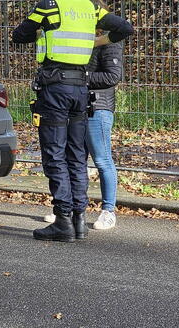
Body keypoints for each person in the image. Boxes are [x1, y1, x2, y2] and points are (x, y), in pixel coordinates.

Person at [12, 0, 133, 242]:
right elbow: (125, 28)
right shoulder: (90, 7)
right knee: (76, 154)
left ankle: (62, 221)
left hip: (55, 88)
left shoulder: (49, 6)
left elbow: (19, 36)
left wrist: (42, 26)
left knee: (54, 153)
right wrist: (96, 41)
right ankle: (79, 220)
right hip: (81, 89)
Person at [42, 21, 123, 230]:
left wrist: (79, 77)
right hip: (76, 105)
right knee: (74, 158)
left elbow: (113, 76)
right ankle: (67, 209)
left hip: (98, 108)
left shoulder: (108, 40)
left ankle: (108, 211)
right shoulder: (77, 40)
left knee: (102, 160)